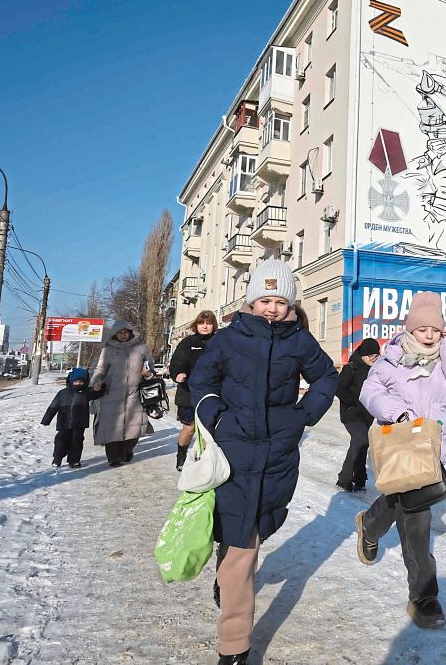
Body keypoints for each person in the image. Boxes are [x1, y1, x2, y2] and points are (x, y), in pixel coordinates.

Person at [188, 258, 338, 665]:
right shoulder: (228, 338)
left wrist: (304, 415)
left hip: (276, 453)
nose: (272, 307)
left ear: (290, 302)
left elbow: (327, 378)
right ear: (252, 301)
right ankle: (234, 647)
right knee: (241, 543)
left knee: (252, 532)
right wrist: (216, 416)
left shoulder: (300, 341)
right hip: (232, 452)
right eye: (264, 299)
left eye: (279, 300)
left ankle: (230, 572)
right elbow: (201, 382)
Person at [356, 292, 446, 630]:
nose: (428, 334)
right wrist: (399, 413)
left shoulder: (443, 361)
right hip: (400, 445)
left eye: (435, 329)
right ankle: (423, 598)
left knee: (403, 505)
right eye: (422, 328)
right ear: (410, 328)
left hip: (431, 451)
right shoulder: (392, 358)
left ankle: (369, 525)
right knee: (416, 523)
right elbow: (369, 392)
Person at [90, 321, 152, 467]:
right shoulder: (108, 350)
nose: (123, 335)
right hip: (112, 394)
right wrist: (96, 381)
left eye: (126, 332)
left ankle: (126, 450)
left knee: (135, 427)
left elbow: (151, 367)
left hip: (135, 394)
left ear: (131, 333)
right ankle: (113, 458)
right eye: (120, 333)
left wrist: (148, 373)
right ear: (115, 334)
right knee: (112, 428)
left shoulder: (141, 349)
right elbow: (99, 369)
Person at [169, 310, 218, 471]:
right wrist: (178, 373)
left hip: (212, 394)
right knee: (189, 428)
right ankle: (181, 455)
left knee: (207, 430)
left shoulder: (219, 342)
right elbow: (177, 362)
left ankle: (202, 459)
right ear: (196, 325)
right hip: (189, 392)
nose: (205, 326)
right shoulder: (188, 342)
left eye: (209, 323)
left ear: (213, 325)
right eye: (201, 323)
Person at [334, 338, 381, 492]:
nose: (374, 359)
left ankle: (360, 479)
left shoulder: (376, 370)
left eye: (376, 356)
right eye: (371, 356)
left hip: (367, 416)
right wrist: (354, 401)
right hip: (351, 413)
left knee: (361, 443)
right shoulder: (351, 368)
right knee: (361, 440)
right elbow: (339, 388)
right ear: (363, 354)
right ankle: (344, 479)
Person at [41, 367, 91, 468]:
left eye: (81, 382)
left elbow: (98, 393)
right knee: (61, 441)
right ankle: (57, 459)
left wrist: (100, 387)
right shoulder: (62, 393)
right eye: (76, 381)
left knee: (77, 442)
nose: (79, 384)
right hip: (64, 423)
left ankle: (74, 460)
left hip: (79, 423)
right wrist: (46, 419)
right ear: (71, 381)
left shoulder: (86, 393)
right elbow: (53, 407)